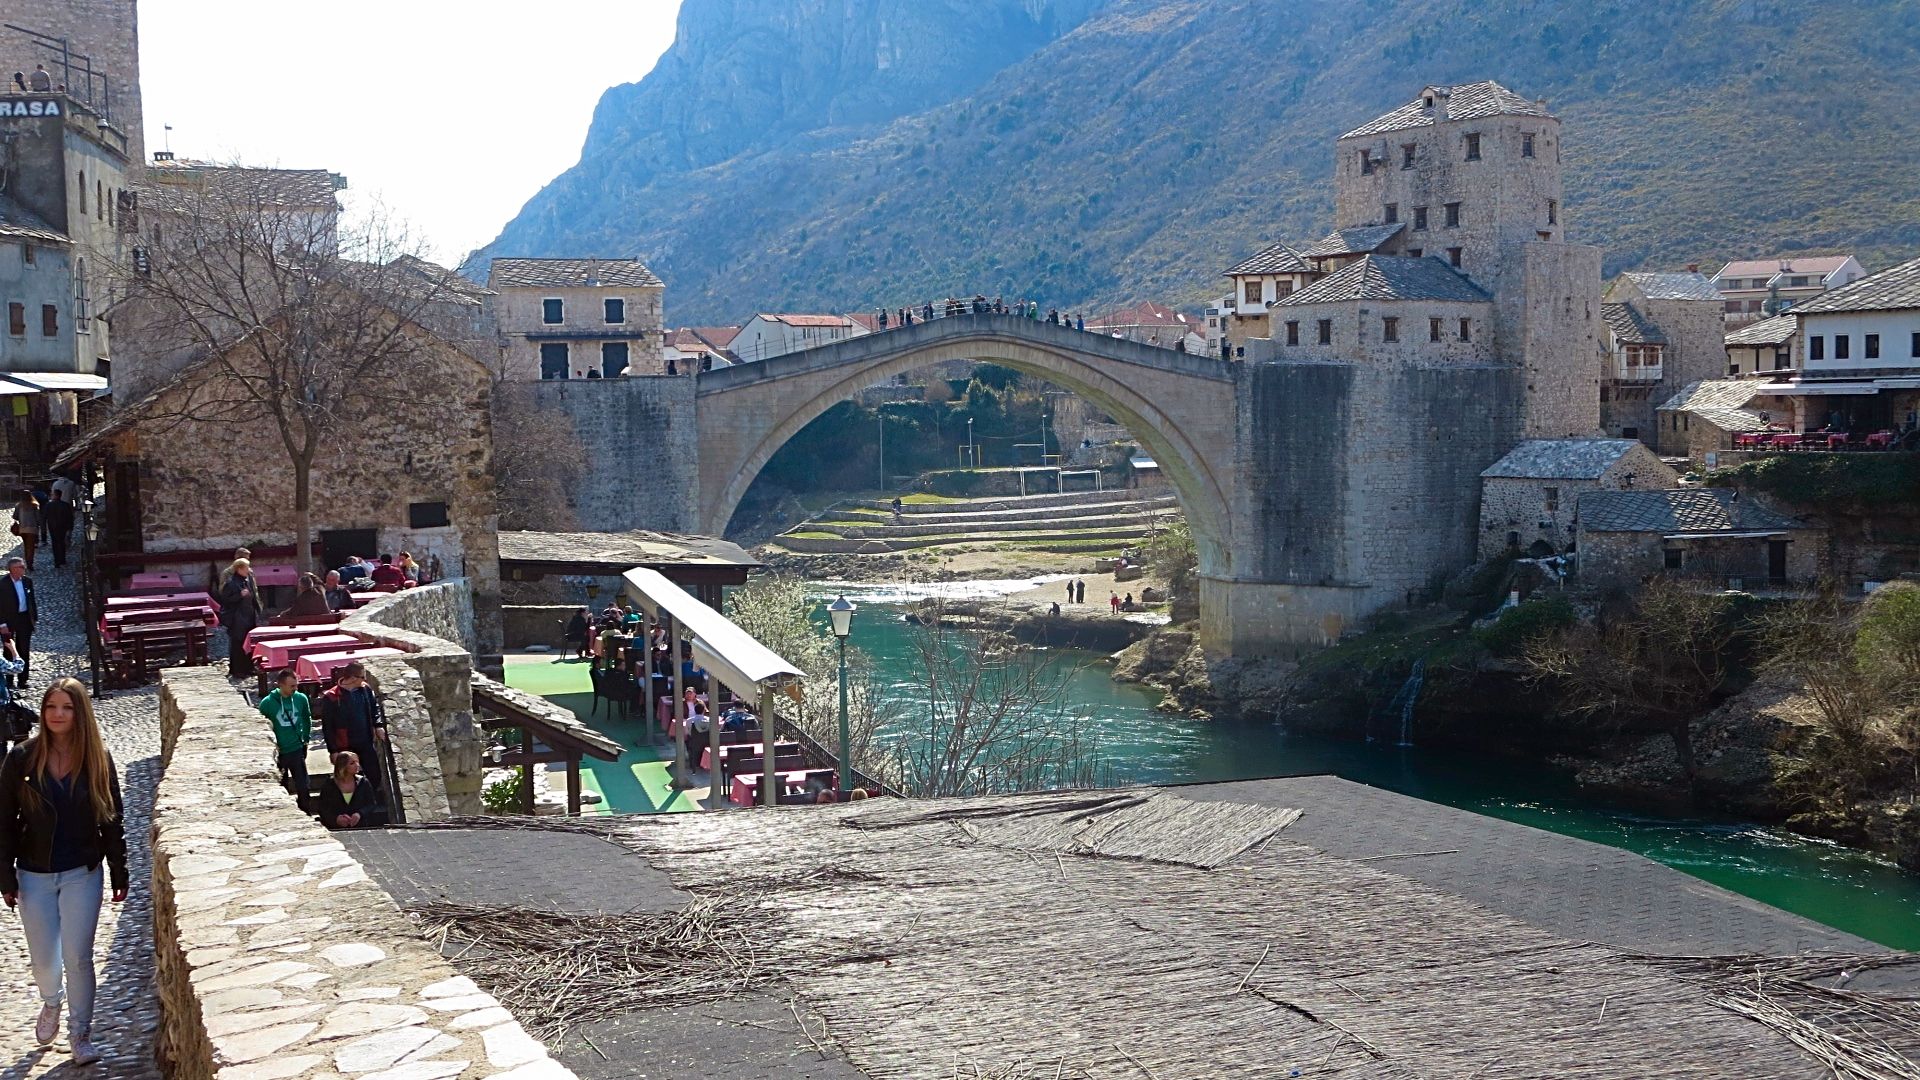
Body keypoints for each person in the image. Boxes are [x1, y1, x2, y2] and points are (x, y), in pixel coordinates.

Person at [0, 679, 127, 1066]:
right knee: (43, 959)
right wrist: (5, 875)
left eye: (67, 708)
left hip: (82, 872)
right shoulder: (21, 758)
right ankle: (51, 1002)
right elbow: (3, 820)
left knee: (78, 957)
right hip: (34, 873)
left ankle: (80, 1033)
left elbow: (111, 818)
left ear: (80, 713)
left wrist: (119, 871)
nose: (58, 715)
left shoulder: (97, 759)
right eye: (51, 707)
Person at [319, 664, 384, 798]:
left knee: (374, 774)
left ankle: (369, 802)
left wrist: (378, 725)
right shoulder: (331, 697)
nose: (364, 680)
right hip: (345, 745)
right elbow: (328, 726)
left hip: (365, 741)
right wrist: (333, 751)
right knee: (348, 778)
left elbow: (374, 708)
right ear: (353, 678)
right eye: (362, 677)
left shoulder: (365, 689)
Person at [260, 670, 313, 810]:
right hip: (280, 752)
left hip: (296, 749)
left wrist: (306, 739)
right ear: (281, 685)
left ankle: (305, 812)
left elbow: (306, 718)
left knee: (303, 786)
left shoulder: (301, 699)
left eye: (296, 685)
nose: (295, 689)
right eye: (292, 686)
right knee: (281, 785)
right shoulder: (268, 703)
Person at [218, 558, 261, 678]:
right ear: (239, 569)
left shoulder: (248, 580)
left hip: (249, 615)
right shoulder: (231, 583)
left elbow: (254, 596)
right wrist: (239, 596)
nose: (249, 570)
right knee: (238, 643)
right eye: (247, 568)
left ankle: (249, 667)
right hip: (238, 618)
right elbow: (225, 600)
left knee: (249, 643)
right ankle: (237, 669)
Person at [316, 751, 378, 830]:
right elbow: (322, 808)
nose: (357, 765)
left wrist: (359, 814)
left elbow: (371, 804)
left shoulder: (363, 782)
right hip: (336, 829)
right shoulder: (329, 784)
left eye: (357, 762)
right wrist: (336, 819)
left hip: (360, 828)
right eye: (352, 763)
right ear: (343, 766)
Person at [0, 558, 35, 690]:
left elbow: (31, 601)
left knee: (24, 650)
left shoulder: (27, 581)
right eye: (20, 567)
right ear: (12, 569)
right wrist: (2, 624)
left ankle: (23, 679)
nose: (23, 569)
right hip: (8, 621)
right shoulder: (3, 584)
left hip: (24, 619)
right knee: (9, 650)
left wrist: (33, 617)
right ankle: (9, 680)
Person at [41, 492, 74, 571]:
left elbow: (44, 517)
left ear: (55, 495)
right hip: (63, 526)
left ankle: (57, 561)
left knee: (55, 543)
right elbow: (70, 517)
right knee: (62, 542)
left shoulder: (48, 505)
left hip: (52, 527)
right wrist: (70, 527)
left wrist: (43, 529)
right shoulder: (65, 505)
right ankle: (62, 559)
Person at [11, 491, 41, 570]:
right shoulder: (35, 506)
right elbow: (38, 519)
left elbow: (15, 516)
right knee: (31, 548)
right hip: (32, 529)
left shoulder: (19, 506)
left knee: (26, 546)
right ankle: (29, 564)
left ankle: (27, 562)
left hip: (22, 529)